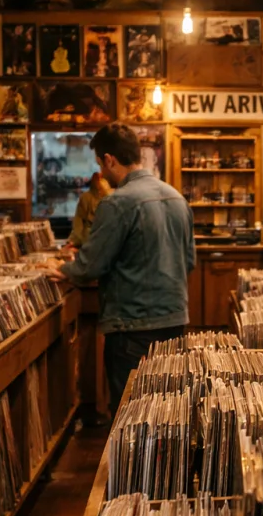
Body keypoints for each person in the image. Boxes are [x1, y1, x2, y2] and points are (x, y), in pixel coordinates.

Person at [47, 123, 195, 413]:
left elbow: (90, 265)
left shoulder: (117, 203)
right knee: (169, 410)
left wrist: (62, 270)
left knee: (130, 416)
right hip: (175, 320)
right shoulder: (177, 198)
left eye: (100, 163)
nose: (100, 172)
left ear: (110, 160)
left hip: (131, 327)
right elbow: (189, 262)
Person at [68, 171, 113, 251]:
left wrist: (75, 240)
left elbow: (78, 225)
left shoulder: (86, 197)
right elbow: (78, 225)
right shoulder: (114, 197)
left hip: (90, 241)